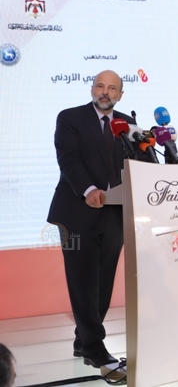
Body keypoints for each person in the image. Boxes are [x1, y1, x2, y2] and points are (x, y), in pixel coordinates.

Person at [47, 70, 134, 368]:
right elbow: (68, 159)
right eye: (100, 86)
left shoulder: (127, 124)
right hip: (77, 213)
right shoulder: (70, 118)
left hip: (115, 212)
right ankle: (94, 349)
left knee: (103, 283)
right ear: (92, 89)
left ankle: (82, 342)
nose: (105, 92)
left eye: (112, 88)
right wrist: (88, 190)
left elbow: (135, 163)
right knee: (83, 282)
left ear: (120, 94)